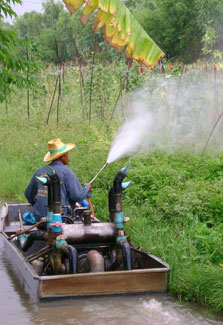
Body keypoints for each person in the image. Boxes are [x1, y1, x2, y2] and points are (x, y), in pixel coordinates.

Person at [25, 138, 92, 222]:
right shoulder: (67, 172)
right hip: (59, 220)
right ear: (61, 157)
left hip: (39, 220)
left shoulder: (39, 171)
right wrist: (86, 187)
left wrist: (39, 207)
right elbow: (78, 196)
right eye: (67, 154)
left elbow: (28, 194)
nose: (68, 157)